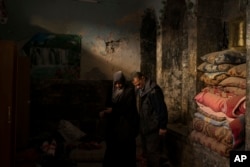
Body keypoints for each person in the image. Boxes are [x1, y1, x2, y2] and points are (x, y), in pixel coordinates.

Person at [100, 71, 139, 167]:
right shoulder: (111, 90)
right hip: (113, 126)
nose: (118, 85)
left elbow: (128, 107)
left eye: (120, 83)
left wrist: (113, 110)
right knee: (112, 149)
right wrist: (104, 112)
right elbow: (107, 104)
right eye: (116, 83)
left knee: (126, 150)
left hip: (126, 125)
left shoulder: (129, 91)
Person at [131, 71, 168, 167]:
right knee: (146, 153)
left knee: (153, 154)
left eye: (138, 84)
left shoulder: (154, 91)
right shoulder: (140, 90)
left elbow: (161, 109)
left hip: (153, 127)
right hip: (144, 127)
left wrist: (162, 126)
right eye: (135, 85)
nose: (138, 87)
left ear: (143, 78)